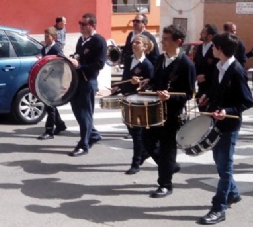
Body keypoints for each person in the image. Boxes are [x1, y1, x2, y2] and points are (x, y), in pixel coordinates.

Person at [197, 32, 253, 225]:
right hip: (216, 123)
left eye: (214, 46)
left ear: (220, 48)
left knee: (225, 166)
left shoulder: (237, 70)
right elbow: (215, 90)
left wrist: (226, 110)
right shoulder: (218, 67)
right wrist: (206, 97)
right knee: (219, 163)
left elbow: (247, 101)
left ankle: (219, 207)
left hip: (229, 124)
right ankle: (233, 194)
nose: (212, 49)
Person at [142, 24, 195, 198]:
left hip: (172, 113)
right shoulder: (159, 59)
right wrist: (146, 83)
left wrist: (170, 97)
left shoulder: (186, 64)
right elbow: (156, 81)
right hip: (154, 109)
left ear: (178, 42)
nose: (162, 42)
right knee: (147, 141)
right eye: (162, 38)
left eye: (165, 39)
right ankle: (170, 166)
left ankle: (165, 184)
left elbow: (188, 94)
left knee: (167, 148)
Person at [111, 34, 154, 174]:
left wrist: (140, 84)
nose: (134, 44)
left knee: (137, 134)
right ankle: (146, 152)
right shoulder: (129, 60)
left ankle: (136, 162)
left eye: (138, 42)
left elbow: (151, 83)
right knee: (131, 129)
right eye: (133, 42)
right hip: (128, 98)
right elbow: (125, 78)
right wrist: (118, 87)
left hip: (140, 102)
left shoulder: (147, 65)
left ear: (145, 47)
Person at [67, 13, 107, 157]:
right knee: (77, 110)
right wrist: (72, 59)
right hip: (77, 80)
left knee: (85, 113)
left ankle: (84, 144)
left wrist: (80, 66)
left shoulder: (99, 41)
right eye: (80, 23)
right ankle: (94, 134)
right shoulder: (81, 40)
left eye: (84, 24)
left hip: (88, 80)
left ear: (93, 26)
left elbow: (99, 64)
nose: (81, 26)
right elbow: (78, 55)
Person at [37, 27, 68, 140]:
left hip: (54, 81)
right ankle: (60, 125)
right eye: (44, 36)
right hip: (46, 80)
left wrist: (59, 81)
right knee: (50, 105)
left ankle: (49, 131)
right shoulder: (45, 48)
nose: (45, 38)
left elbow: (62, 65)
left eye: (47, 36)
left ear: (53, 37)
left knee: (50, 106)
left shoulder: (56, 49)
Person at [194, 24, 218, 110]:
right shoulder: (199, 47)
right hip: (201, 86)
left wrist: (206, 77)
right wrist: (197, 75)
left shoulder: (216, 48)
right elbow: (196, 63)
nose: (200, 34)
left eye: (203, 32)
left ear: (210, 36)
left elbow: (217, 67)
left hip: (212, 86)